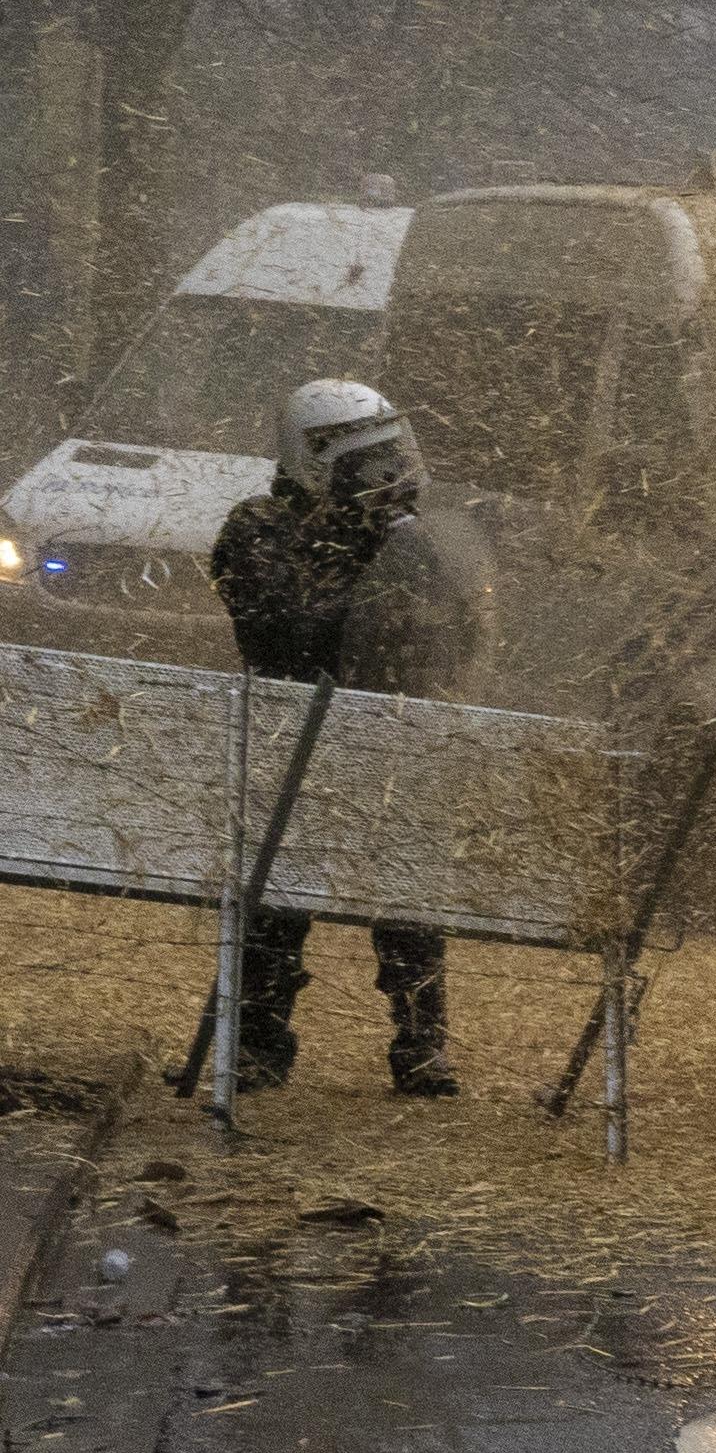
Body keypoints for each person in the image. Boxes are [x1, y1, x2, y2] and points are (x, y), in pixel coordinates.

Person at [205, 380, 480, 1093]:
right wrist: (379, 563)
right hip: (291, 740)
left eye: (394, 460)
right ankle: (261, 1042)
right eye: (369, 467)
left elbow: (465, 635)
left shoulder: (410, 533)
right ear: (317, 463)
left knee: (408, 900)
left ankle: (421, 1047)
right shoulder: (258, 527)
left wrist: (413, 553)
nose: (388, 480)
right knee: (276, 904)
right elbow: (286, 631)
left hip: (391, 738)